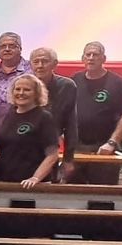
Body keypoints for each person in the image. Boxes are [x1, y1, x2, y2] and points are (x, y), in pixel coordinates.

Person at [69, 41, 122, 184]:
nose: (91, 58)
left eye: (96, 55)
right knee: (72, 194)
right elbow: (64, 110)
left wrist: (112, 143)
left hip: (104, 148)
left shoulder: (116, 82)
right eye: (88, 54)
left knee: (103, 195)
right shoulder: (74, 80)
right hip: (77, 148)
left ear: (103, 59)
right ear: (82, 58)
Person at [0, 74, 60, 188]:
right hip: (3, 181)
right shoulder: (8, 114)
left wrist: (35, 178)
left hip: (30, 185)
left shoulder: (44, 117)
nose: (21, 93)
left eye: (27, 90)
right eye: (17, 89)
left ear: (36, 93)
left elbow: (52, 155)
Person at [29, 46, 79, 181]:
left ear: (55, 64)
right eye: (36, 61)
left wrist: (68, 159)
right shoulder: (23, 84)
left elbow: (71, 124)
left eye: (45, 61)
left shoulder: (67, 86)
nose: (40, 65)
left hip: (50, 150)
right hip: (23, 148)